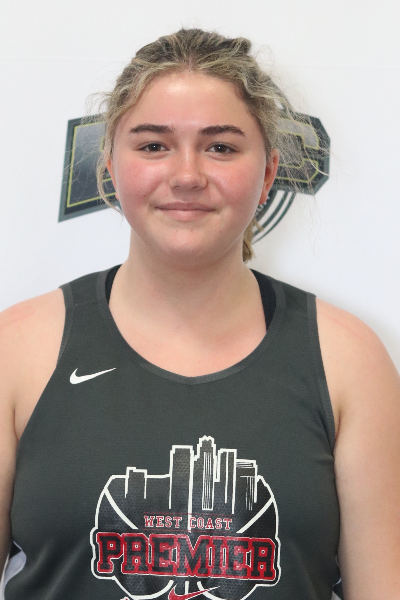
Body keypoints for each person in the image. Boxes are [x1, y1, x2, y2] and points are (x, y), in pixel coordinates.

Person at [0, 28, 399, 600]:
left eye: (221, 147)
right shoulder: (17, 348)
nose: (187, 175)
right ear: (109, 166)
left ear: (268, 173)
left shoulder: (348, 360)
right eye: (153, 145)